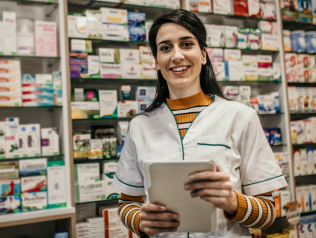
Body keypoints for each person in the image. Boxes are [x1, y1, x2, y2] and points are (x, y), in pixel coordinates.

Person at [113, 9, 287, 238]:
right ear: (156, 61)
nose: (176, 56)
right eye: (165, 48)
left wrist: (232, 201)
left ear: (203, 54)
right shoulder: (140, 126)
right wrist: (141, 221)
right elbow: (126, 204)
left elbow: (268, 212)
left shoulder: (240, 117)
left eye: (186, 44)